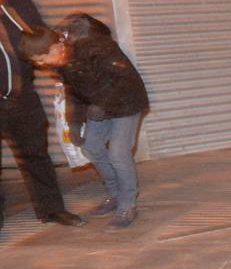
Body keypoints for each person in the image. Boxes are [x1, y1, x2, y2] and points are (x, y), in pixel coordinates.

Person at [21, 23, 149, 229]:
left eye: (42, 59)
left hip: (127, 103)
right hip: (100, 107)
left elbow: (125, 78)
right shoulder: (61, 64)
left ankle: (128, 205)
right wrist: (74, 123)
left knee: (118, 153)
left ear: (55, 48)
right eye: (38, 62)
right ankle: (115, 195)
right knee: (91, 146)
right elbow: (75, 94)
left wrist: (102, 103)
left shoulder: (96, 47)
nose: (42, 65)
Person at [0, 0, 84, 232]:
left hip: (22, 96)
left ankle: (51, 208)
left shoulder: (19, 3)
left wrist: (65, 73)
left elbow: (44, 44)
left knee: (36, 155)